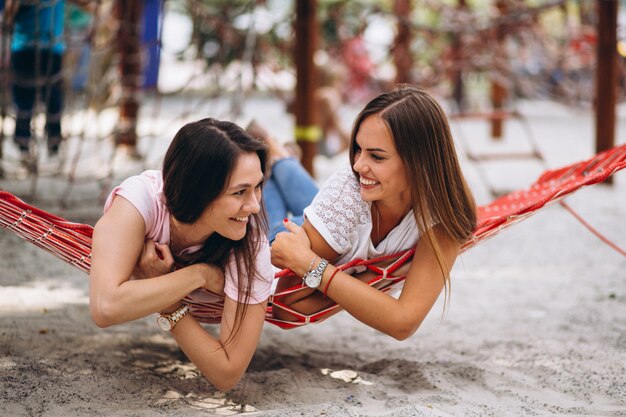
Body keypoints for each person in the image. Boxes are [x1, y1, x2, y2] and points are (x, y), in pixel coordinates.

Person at [260, 85, 477, 340]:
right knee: (278, 230)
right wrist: (376, 277)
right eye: (358, 149)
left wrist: (311, 265)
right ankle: (274, 157)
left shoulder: (446, 211)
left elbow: (403, 324)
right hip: (305, 231)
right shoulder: (348, 193)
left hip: (333, 228)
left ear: (420, 162)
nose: (358, 164)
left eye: (377, 156)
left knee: (319, 205)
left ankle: (276, 157)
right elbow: (286, 309)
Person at [89, 118, 274, 391]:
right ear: (198, 190)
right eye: (239, 192)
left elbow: (227, 373)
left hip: (280, 249)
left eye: (257, 187)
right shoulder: (141, 200)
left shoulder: (251, 244)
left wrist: (170, 305)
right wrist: (198, 275)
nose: (255, 205)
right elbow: (105, 308)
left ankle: (282, 158)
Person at [5, 0, 66, 159]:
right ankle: (23, 144)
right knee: (24, 100)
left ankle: (54, 143)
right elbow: (8, 15)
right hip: (24, 46)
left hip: (51, 46)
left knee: (53, 98)